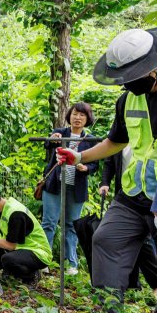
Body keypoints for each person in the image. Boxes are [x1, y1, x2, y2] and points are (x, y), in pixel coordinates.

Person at [55, 28, 157, 313]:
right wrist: (80, 157)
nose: (129, 83)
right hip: (132, 194)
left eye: (135, 75)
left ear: (156, 66)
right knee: (105, 239)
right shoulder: (129, 99)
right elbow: (115, 142)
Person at [40, 102, 100, 275]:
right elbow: (48, 144)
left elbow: (95, 164)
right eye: (75, 114)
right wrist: (54, 138)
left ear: (87, 118)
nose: (78, 118)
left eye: (82, 115)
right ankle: (43, 260)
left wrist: (86, 168)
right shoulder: (60, 132)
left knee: (72, 225)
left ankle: (70, 264)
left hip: (76, 186)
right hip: (54, 185)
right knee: (49, 222)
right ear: (69, 116)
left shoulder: (90, 139)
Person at [0, 181, 52, 288]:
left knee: (7, 258)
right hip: (22, 248)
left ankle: (31, 275)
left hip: (38, 253)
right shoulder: (0, 209)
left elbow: (10, 246)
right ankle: (9, 271)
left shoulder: (15, 213)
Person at [100, 148, 157, 295]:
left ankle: (156, 285)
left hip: (151, 198)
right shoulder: (120, 138)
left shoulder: (150, 138)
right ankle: (131, 285)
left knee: (144, 243)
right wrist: (105, 182)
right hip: (126, 197)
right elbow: (109, 162)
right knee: (128, 242)